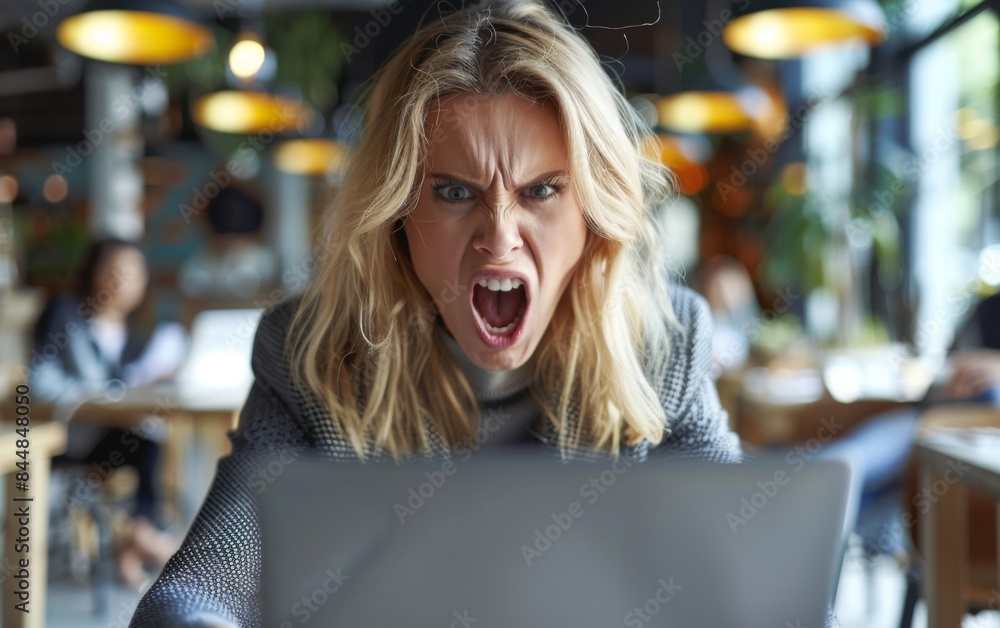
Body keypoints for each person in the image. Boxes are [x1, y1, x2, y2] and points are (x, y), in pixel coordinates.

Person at [131, 2, 844, 626]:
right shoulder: (308, 354)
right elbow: (198, 587)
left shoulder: (665, 342)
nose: (499, 235)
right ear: (397, 214)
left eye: (541, 191)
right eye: (451, 192)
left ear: (594, 215)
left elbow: (742, 572)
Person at [28, 238, 186, 587]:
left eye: (132, 273)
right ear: (93, 272)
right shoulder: (65, 314)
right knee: (148, 442)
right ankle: (141, 538)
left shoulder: (136, 336)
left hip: (112, 436)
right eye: (113, 270)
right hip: (66, 438)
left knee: (152, 439)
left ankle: (136, 538)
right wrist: (95, 396)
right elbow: (38, 379)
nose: (121, 280)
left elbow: (129, 385)